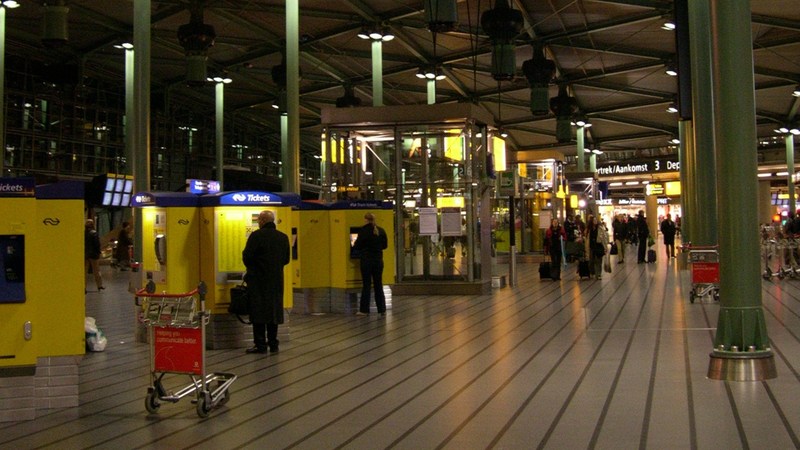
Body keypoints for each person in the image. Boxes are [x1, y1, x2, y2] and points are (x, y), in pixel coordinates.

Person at [242, 210, 290, 354]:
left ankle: (260, 345)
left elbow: (247, 257)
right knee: (273, 312)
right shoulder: (283, 237)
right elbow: (286, 259)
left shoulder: (256, 236)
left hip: (258, 280)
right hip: (276, 280)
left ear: (262, 221)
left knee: (258, 312)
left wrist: (255, 268)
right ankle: (274, 344)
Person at [353, 212, 388, 316]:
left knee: (366, 285)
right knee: (378, 285)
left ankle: (364, 310)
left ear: (365, 219)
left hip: (366, 261)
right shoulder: (381, 230)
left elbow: (357, 246)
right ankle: (381, 309)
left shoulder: (363, 231)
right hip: (378, 261)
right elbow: (385, 246)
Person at [584, 215, 608, 279]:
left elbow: (604, 238)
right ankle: (592, 272)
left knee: (599, 260)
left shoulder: (600, 228)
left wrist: (605, 247)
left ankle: (599, 274)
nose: (595, 221)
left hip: (599, 246)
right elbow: (586, 238)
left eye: (596, 220)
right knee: (591, 260)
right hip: (591, 246)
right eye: (594, 220)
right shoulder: (588, 229)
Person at [85, 219, 104, 291]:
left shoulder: (83, 233)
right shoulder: (94, 233)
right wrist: (98, 252)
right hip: (94, 255)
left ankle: (84, 287)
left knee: (85, 271)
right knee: (96, 270)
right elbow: (97, 244)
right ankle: (99, 285)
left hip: (86, 254)